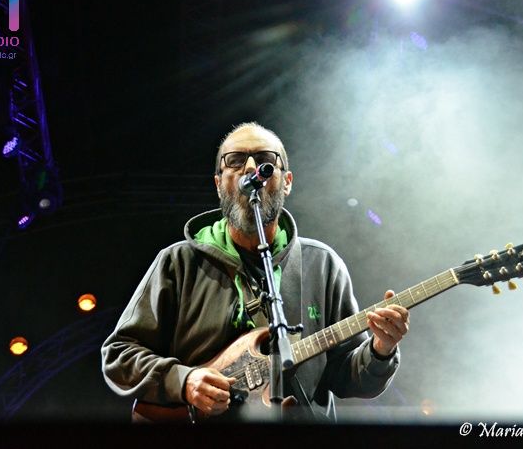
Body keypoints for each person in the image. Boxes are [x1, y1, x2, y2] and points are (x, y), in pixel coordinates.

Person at [101, 122, 409, 422]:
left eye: (264, 161)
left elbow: (349, 378)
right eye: (235, 160)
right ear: (218, 183)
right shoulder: (178, 262)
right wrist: (184, 381)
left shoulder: (322, 264)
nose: (250, 168)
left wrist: (381, 350)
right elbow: (119, 354)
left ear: (286, 181)